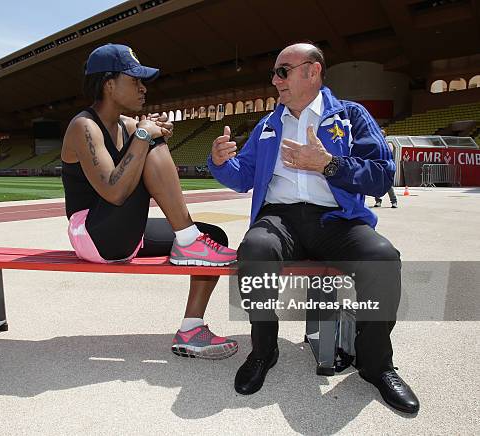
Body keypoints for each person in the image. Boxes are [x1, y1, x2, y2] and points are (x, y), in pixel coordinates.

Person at [208, 43, 419, 413]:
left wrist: (329, 165)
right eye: (274, 73)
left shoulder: (351, 116)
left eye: (282, 71)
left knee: (383, 258)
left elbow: (382, 174)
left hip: (334, 220)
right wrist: (220, 161)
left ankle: (376, 364)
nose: (275, 80)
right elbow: (242, 177)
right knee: (255, 251)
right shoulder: (268, 124)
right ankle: (264, 350)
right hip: (281, 219)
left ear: (312, 71)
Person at [61, 44, 238, 359]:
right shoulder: (83, 126)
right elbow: (114, 192)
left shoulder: (128, 125)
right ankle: (188, 239)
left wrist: (145, 134)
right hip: (91, 234)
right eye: (135, 80)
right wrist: (145, 137)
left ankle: (191, 331)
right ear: (109, 84)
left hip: (124, 230)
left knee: (214, 236)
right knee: (149, 140)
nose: (143, 88)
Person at [374, 133, 398, 208]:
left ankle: (394, 202)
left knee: (389, 186)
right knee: (377, 184)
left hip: (387, 166)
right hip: (378, 165)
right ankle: (378, 201)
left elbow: (388, 151)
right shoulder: (376, 144)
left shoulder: (389, 144)